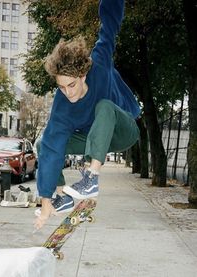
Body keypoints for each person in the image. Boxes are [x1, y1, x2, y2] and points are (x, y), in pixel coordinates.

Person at [34, 0, 140, 229]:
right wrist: (44, 203)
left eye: (71, 85)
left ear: (82, 75)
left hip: (123, 129)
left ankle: (91, 177)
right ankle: (62, 197)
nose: (67, 93)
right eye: (61, 87)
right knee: (44, 143)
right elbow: (53, 149)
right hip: (92, 137)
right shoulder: (62, 104)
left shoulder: (99, 62)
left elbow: (109, 27)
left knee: (104, 106)